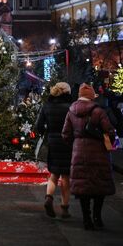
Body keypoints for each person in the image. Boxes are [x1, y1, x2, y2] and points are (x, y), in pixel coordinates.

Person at [62, 83, 116, 230]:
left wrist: (75, 145)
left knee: (83, 188)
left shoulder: (71, 112)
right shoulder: (98, 111)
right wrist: (107, 143)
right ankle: (97, 217)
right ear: (91, 96)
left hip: (79, 152)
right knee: (99, 186)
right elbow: (110, 132)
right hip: (98, 153)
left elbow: (65, 134)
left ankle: (86, 219)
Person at [35, 82, 73, 219]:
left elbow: (39, 126)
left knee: (54, 173)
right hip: (68, 143)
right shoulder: (71, 108)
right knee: (66, 178)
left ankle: (49, 197)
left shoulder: (47, 106)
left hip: (52, 142)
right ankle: (64, 208)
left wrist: (47, 133)